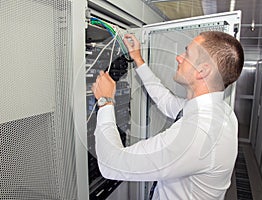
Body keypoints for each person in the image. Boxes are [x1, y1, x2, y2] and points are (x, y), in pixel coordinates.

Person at [91, 31, 244, 200]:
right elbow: (166, 100)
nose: (179, 57)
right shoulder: (220, 111)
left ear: (202, 70)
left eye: (187, 53)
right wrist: (138, 59)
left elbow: (111, 164)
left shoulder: (198, 134)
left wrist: (105, 102)